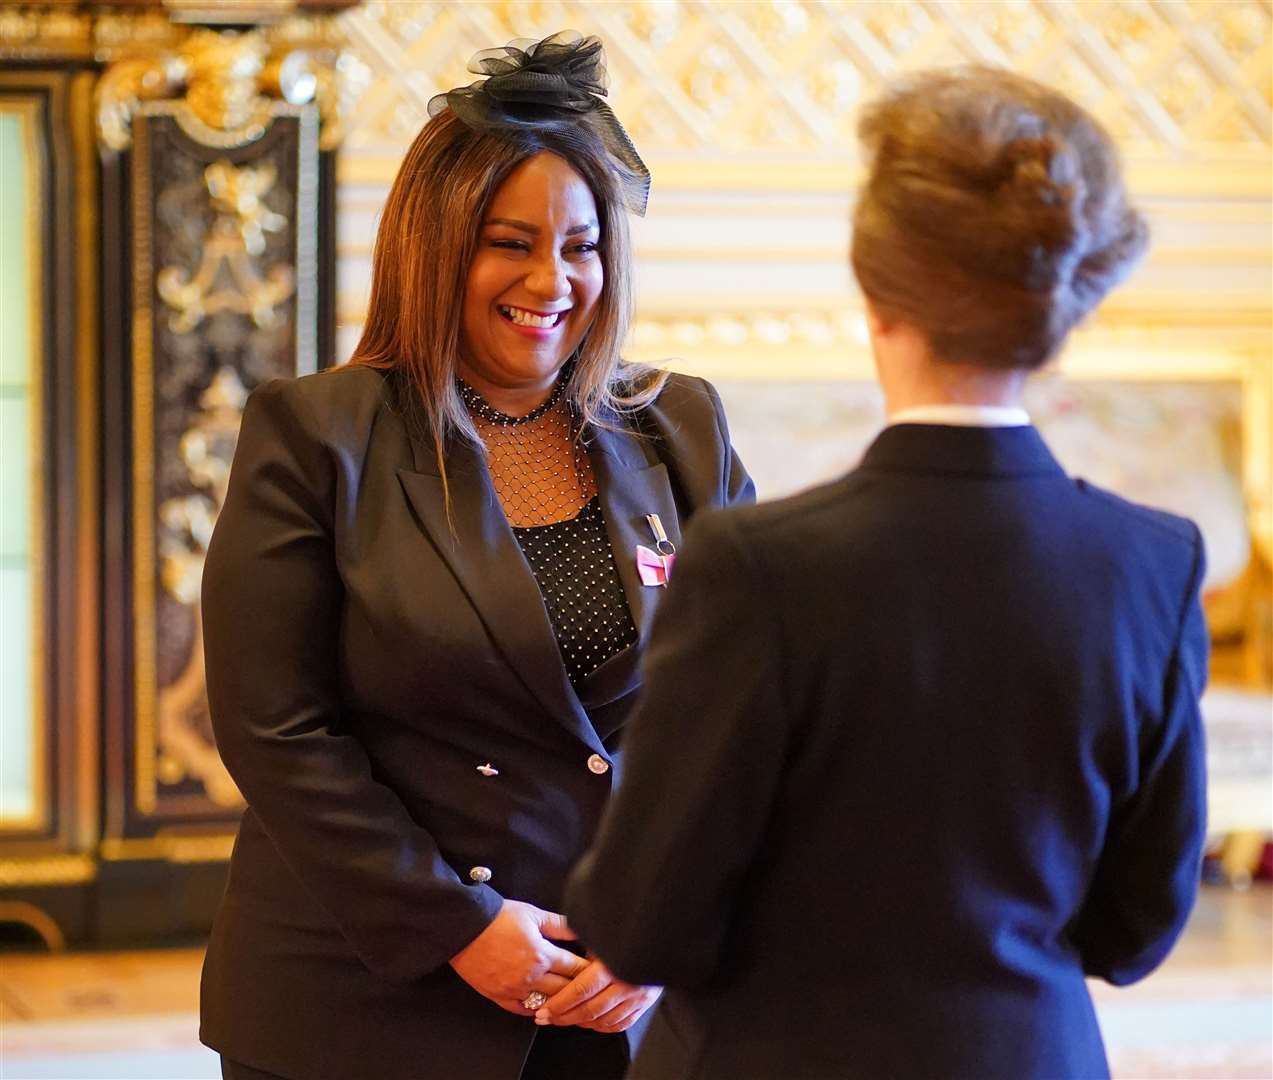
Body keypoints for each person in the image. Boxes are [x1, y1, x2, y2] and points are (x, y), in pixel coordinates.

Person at [562, 66, 1208, 1080]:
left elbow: (645, 924)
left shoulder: (758, 566)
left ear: (874, 290)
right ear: (1059, 312)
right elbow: (1137, 931)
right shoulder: (1151, 564)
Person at [199, 31, 753, 1080]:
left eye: (581, 245)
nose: (552, 279)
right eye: (510, 242)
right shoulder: (317, 435)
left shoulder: (680, 427)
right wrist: (457, 925)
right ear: (434, 247)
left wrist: (668, 924)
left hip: (609, 993)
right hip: (364, 996)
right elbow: (275, 730)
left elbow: (745, 703)